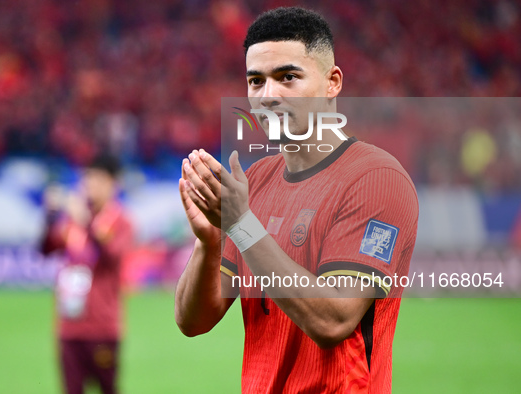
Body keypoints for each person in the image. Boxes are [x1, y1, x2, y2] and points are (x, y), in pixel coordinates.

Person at [175, 7, 418, 393]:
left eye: (288, 77)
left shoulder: (376, 180)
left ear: (332, 82)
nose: (269, 96)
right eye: (256, 81)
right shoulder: (253, 183)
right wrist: (209, 241)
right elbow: (193, 322)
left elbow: (334, 321)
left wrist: (241, 225)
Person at [41, 154, 132, 394]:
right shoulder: (72, 221)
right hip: (69, 326)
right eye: (88, 179)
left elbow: (111, 256)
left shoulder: (121, 221)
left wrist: (86, 221)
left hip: (102, 326)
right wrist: (49, 216)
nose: (91, 185)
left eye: (98, 180)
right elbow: (47, 249)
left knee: (107, 388)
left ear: (114, 184)